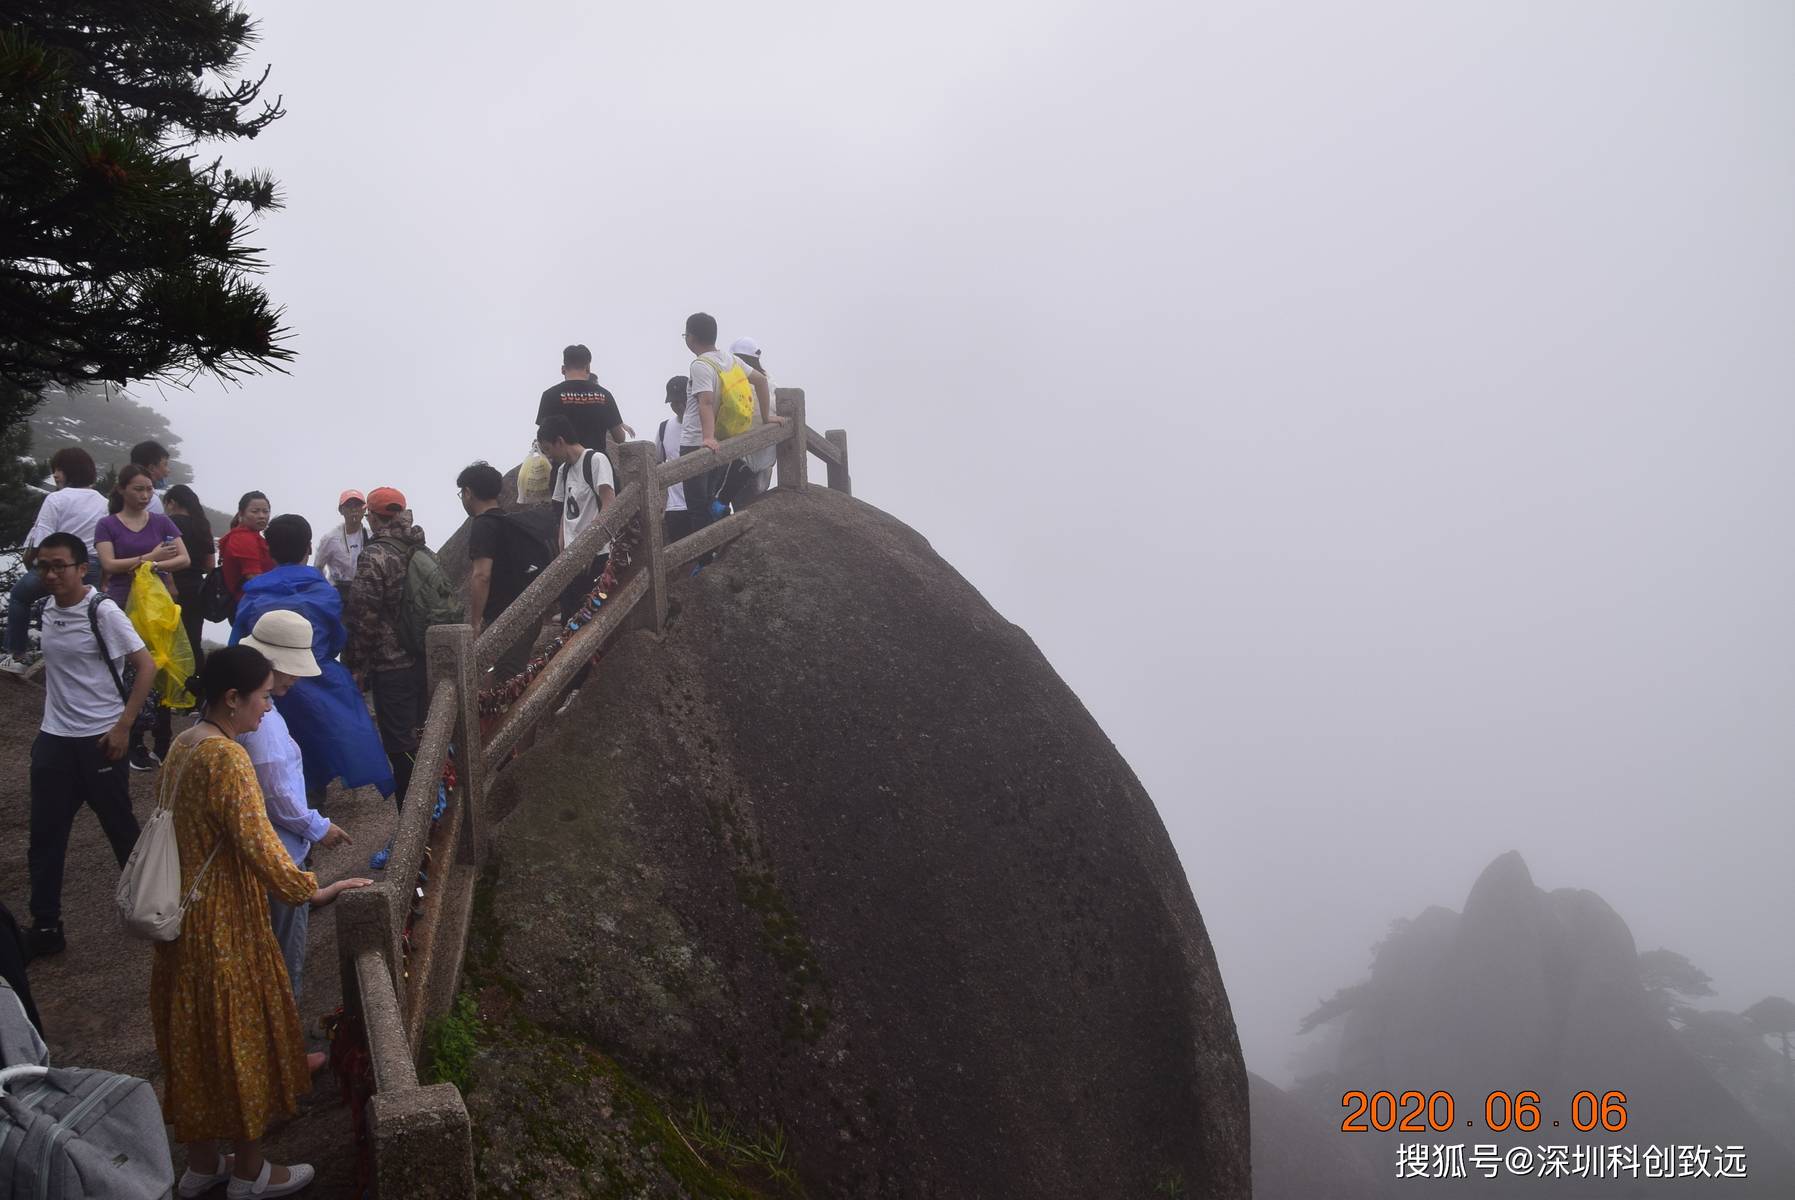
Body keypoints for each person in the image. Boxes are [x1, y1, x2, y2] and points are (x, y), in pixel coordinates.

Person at [150, 645, 370, 1200]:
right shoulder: (226, 758)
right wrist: (313, 889)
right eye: (263, 698)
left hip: (181, 918)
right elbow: (262, 847)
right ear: (233, 698)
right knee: (239, 1036)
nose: (267, 711)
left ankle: (202, 1164)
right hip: (224, 920)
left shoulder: (183, 744)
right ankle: (249, 1171)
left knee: (195, 1040)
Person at [20, 532, 154, 960]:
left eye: (60, 565)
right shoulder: (46, 609)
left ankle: (152, 911)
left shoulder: (102, 610)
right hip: (55, 740)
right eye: (44, 565)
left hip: (100, 741)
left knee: (121, 830)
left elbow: (145, 666)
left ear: (82, 568)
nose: (51, 573)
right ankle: (46, 926)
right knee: (45, 836)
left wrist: (123, 727)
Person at [231, 514, 395, 809]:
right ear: (308, 548)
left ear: (269, 549)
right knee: (330, 728)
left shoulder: (252, 596)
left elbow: (238, 644)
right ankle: (313, 798)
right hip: (318, 675)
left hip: (266, 683)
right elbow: (336, 639)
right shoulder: (325, 593)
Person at [236, 611, 353, 1007]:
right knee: (284, 953)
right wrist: (318, 827)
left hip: (263, 852)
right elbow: (276, 793)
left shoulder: (241, 706)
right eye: (291, 670)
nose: (295, 679)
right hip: (279, 853)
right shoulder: (263, 722)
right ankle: (289, 1044)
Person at [95, 465, 190, 770]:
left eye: (149, 489)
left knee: (161, 666)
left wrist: (147, 565)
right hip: (121, 604)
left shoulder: (161, 521)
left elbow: (184, 558)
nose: (146, 495)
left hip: (156, 605)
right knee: (128, 670)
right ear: (121, 489)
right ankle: (132, 739)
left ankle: (163, 743)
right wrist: (150, 558)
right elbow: (108, 564)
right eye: (138, 489)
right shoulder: (108, 524)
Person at [344, 487, 430, 820]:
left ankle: (414, 829)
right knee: (427, 737)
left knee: (401, 748)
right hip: (423, 658)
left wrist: (355, 664)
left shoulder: (375, 555)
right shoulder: (421, 548)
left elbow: (362, 615)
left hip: (391, 666)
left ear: (374, 517)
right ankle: (434, 813)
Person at [2, 447, 107, 672]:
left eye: (58, 470)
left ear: (70, 471)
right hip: (92, 567)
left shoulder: (56, 499)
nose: (55, 475)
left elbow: (43, 541)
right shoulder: (104, 503)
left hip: (58, 564)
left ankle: (16, 655)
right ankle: (89, 663)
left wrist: (33, 565)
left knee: (20, 596)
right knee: (87, 615)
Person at [680, 312, 778, 535]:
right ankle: (720, 547)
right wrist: (767, 417)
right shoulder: (730, 359)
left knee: (697, 505)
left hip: (698, 441)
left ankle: (705, 560)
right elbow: (761, 380)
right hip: (725, 441)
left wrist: (707, 437)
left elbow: (705, 401)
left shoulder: (700, 365)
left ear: (691, 338)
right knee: (712, 498)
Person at [459, 461, 553, 681]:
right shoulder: (509, 522)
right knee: (510, 673)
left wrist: (474, 622)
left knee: (507, 678)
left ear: (468, 493)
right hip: (529, 612)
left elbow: (482, 575)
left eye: (461, 494)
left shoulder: (483, 525)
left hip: (508, 617)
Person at [538, 416, 615, 620]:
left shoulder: (596, 460)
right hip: (572, 557)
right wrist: (563, 549)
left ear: (560, 441)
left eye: (548, 449)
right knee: (569, 617)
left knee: (592, 616)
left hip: (598, 554)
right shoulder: (564, 471)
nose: (549, 456)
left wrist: (591, 546)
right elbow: (564, 511)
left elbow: (609, 504)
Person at [536, 343, 633, 452]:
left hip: (563, 466)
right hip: (597, 465)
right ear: (588, 368)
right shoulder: (604, 395)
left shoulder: (550, 395)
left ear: (563, 369)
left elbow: (543, 438)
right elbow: (620, 438)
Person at [163, 484, 215, 675]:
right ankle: (195, 686)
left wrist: (169, 582)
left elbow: (164, 556)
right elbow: (210, 564)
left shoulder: (168, 523)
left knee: (169, 640)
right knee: (193, 639)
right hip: (196, 587)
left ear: (172, 502)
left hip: (172, 585)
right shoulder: (203, 525)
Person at [729, 335, 782, 498]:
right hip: (767, 456)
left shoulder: (737, 382)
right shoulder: (770, 381)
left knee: (739, 500)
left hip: (741, 457)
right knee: (757, 500)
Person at [217, 491, 275, 602]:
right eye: (255, 511)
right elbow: (255, 578)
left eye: (265, 511)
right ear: (241, 514)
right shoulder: (243, 539)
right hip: (251, 604)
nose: (262, 516)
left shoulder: (250, 536)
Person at [312, 490, 368, 602]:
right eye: (348, 506)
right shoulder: (330, 538)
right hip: (338, 592)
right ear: (341, 510)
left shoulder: (371, 535)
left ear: (365, 509)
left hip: (365, 592)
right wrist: (327, 589)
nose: (353, 509)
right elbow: (318, 568)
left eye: (358, 505)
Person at [654, 376, 690, 543]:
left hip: (702, 503)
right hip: (675, 507)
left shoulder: (706, 424)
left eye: (682, 401)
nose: (678, 406)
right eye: (674, 403)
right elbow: (655, 462)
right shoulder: (664, 427)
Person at [130, 440, 173, 515]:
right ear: (151, 468)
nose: (168, 471)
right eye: (165, 464)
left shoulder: (122, 493)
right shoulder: (152, 501)